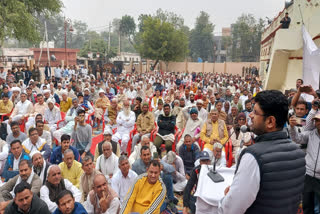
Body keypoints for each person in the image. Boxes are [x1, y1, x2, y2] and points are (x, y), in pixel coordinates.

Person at [219, 90, 306, 214]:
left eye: (255, 112)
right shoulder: (299, 154)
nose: (250, 116)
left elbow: (230, 209)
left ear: (270, 121)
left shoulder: (253, 156)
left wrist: (226, 199)